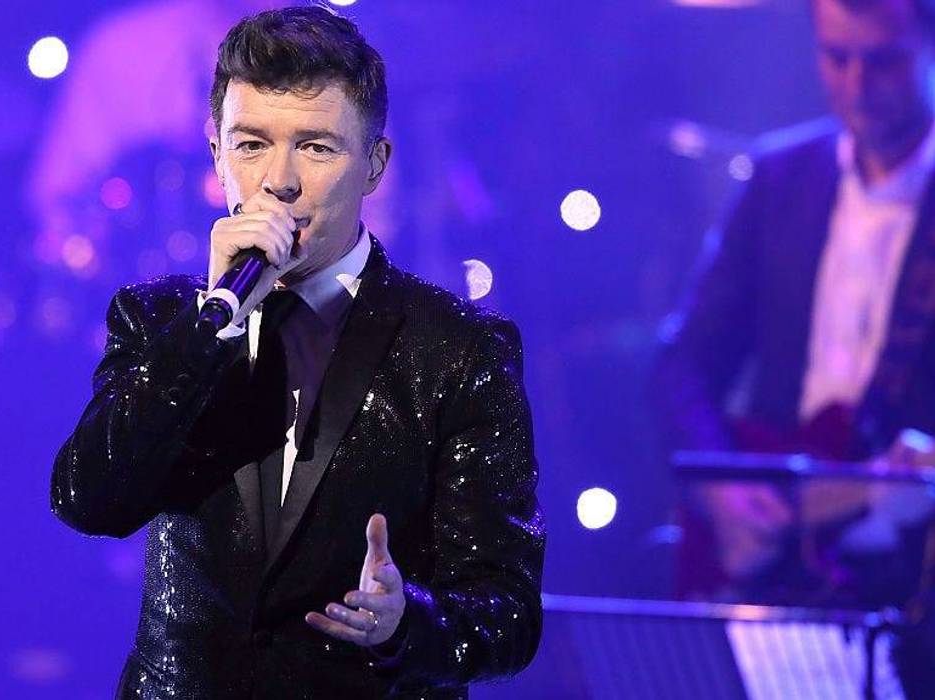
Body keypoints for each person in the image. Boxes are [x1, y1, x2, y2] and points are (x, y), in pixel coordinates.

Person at [49, 7, 544, 699]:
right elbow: (87, 500)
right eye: (251, 144)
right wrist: (208, 331)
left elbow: (508, 615)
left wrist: (404, 623)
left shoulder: (458, 352)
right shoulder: (161, 320)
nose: (278, 180)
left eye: (315, 148)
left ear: (374, 164)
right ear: (216, 151)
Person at [656, 0, 935, 686]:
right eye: (834, 57)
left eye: (884, 61)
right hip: (782, 546)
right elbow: (683, 364)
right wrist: (721, 486)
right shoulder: (780, 177)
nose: (855, 84)